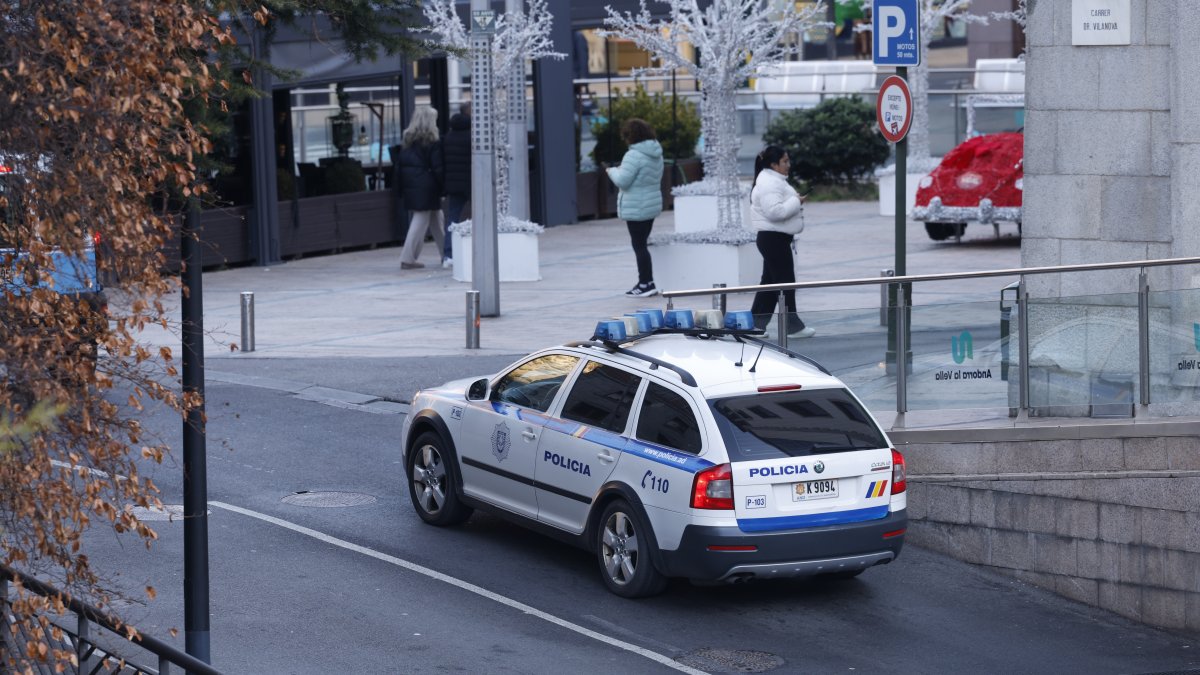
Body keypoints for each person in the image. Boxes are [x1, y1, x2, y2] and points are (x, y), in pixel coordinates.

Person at [748, 145, 815, 338]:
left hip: (774, 238)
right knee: (785, 282)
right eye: (785, 161)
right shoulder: (770, 183)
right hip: (773, 238)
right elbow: (775, 212)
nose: (789, 165)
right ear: (773, 164)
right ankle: (792, 326)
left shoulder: (773, 180)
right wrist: (796, 201)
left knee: (770, 284)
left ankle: (754, 325)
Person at [606, 118, 664, 297]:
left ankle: (646, 283)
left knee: (639, 246)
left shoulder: (633, 155)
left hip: (636, 206)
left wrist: (612, 171)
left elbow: (623, 181)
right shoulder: (656, 152)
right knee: (642, 244)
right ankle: (645, 282)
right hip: (650, 204)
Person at [397, 106, 445, 270]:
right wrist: (443, 187)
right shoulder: (432, 141)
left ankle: (448, 254)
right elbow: (438, 168)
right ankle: (407, 258)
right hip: (427, 187)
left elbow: (400, 167)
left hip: (413, 186)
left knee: (437, 220)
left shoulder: (407, 140)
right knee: (420, 220)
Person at [441, 103, 471, 269]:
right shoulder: (473, 136)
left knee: (452, 218)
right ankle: (478, 250)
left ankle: (448, 254)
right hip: (472, 183)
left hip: (454, 184)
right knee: (482, 217)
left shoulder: (448, 137)